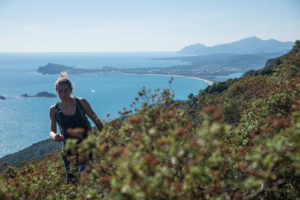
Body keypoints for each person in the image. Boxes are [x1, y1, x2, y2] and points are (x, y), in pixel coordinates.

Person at [49, 72, 103, 183]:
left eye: (66, 91)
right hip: (68, 150)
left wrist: (104, 136)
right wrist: (56, 137)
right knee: (72, 181)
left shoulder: (81, 103)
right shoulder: (54, 110)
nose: (63, 94)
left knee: (85, 176)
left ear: (71, 90)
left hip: (86, 146)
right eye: (60, 91)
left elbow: (96, 120)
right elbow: (52, 131)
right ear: (56, 92)